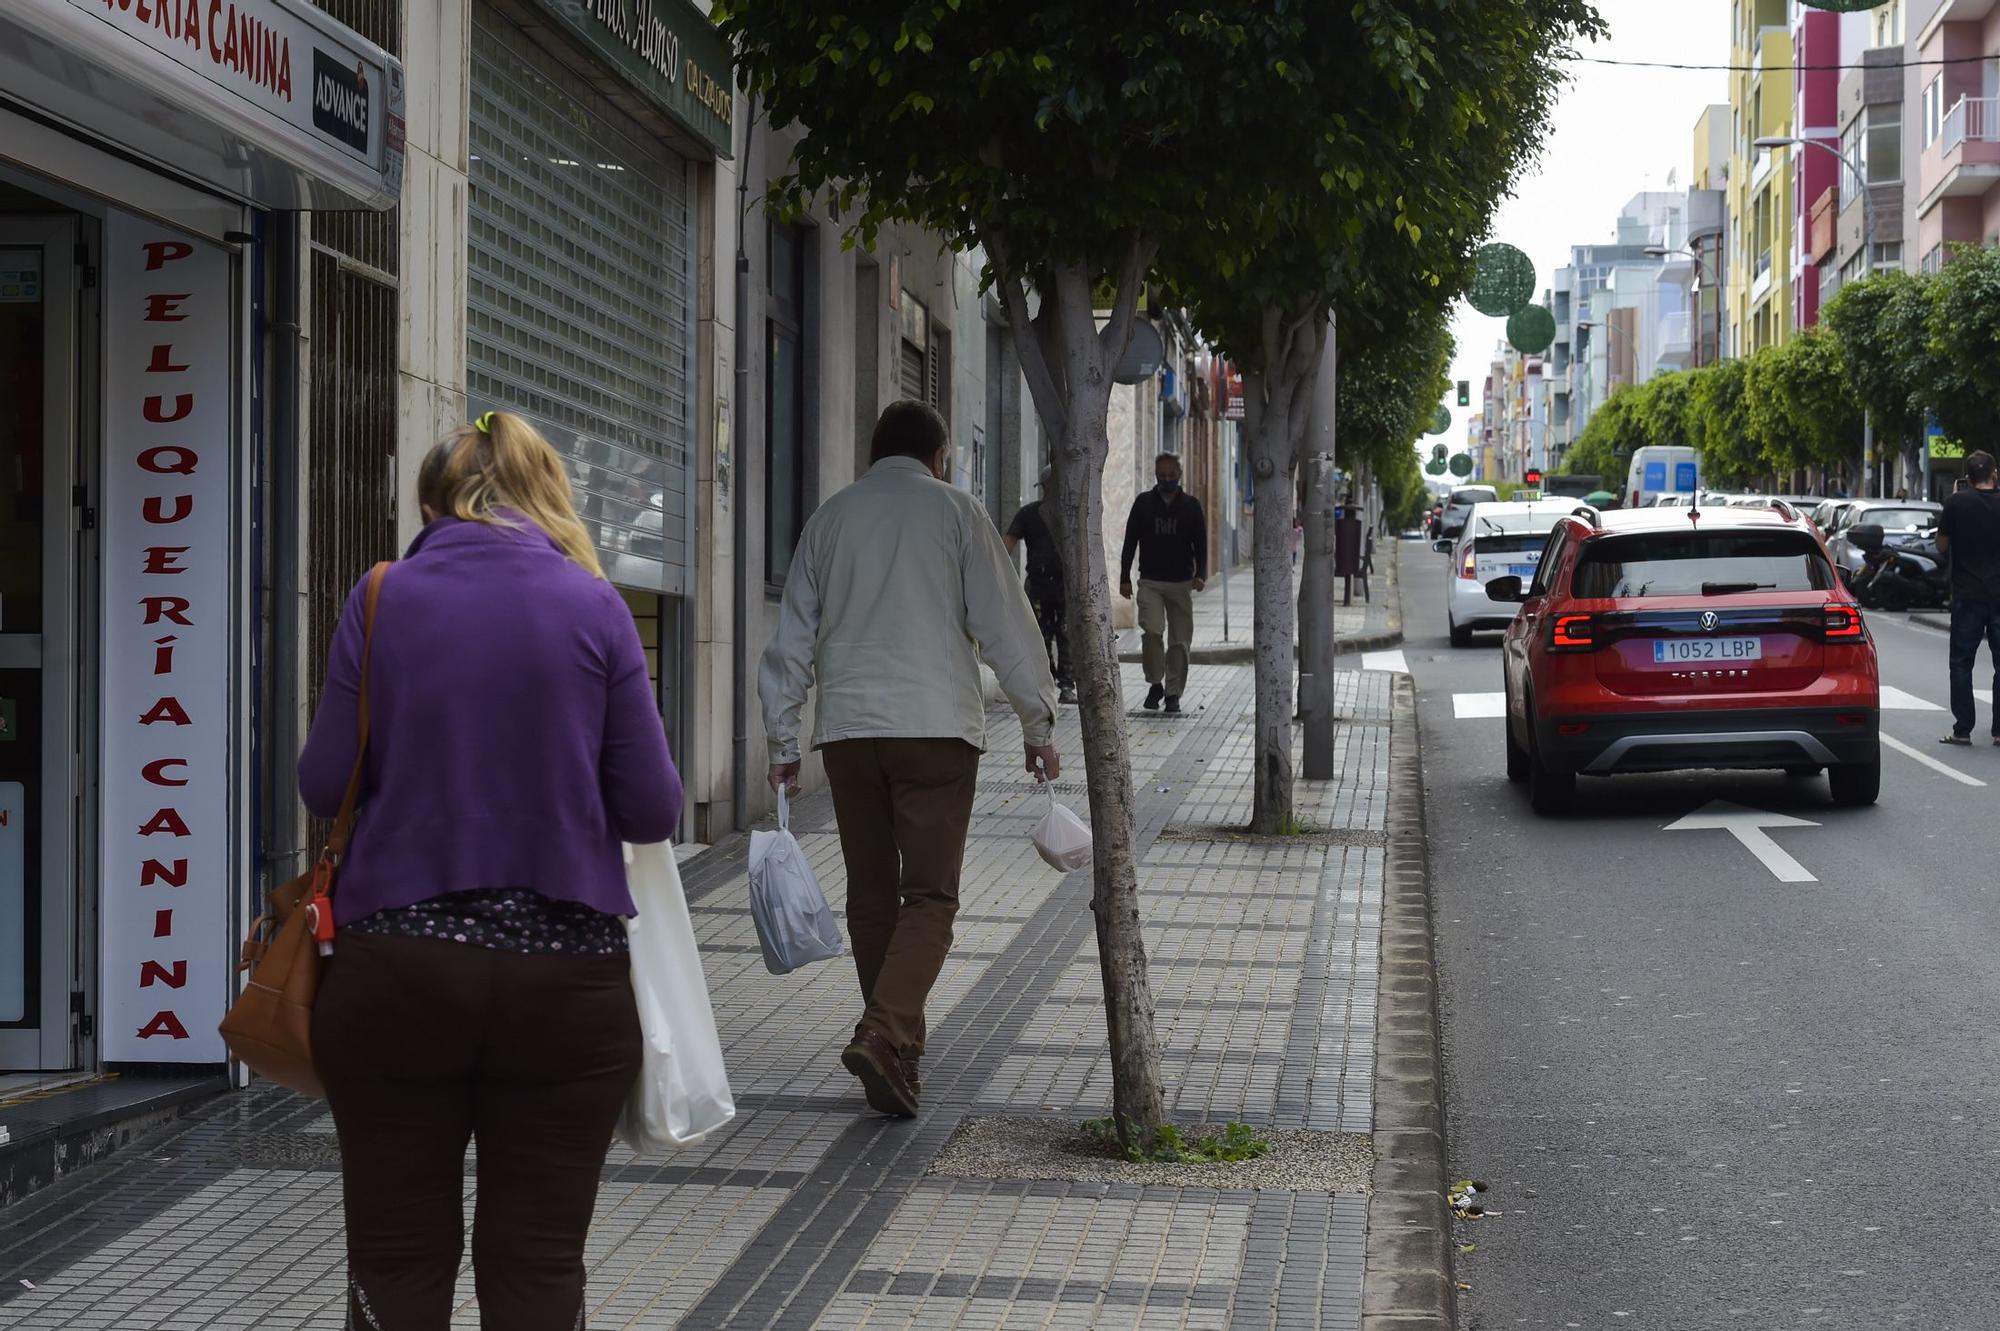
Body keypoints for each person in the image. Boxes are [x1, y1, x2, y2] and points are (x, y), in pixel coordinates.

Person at [299, 411, 682, 1330]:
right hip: (565, 986)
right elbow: (653, 808)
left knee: (395, 1261)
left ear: (433, 505)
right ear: (545, 495)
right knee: (540, 1264)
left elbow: (321, 783)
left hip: (396, 969)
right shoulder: (596, 604)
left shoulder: (383, 593)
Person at [760, 401, 1059, 1119]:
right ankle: (885, 1029)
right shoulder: (957, 514)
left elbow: (791, 637)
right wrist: (1037, 718)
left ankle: (895, 1046)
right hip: (935, 729)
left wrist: (781, 741)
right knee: (929, 896)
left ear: (873, 453)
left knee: (871, 894)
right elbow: (1005, 623)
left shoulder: (829, 520)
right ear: (940, 456)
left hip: (850, 732)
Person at [1119, 453, 1208, 714]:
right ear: (1155, 475)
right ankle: (1155, 682)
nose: (1167, 480)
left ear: (1179, 475)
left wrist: (1200, 573)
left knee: (1180, 642)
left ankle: (1173, 693)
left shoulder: (1191, 506)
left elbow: (1201, 543)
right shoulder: (1144, 503)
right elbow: (1129, 542)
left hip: (1181, 583)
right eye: (1162, 475)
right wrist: (1124, 577)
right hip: (1150, 582)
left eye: (1171, 475)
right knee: (1152, 632)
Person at [1937, 449, 2000, 746]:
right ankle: (1999, 730)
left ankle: (1963, 728)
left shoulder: (1956, 503)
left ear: (1968, 478)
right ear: (1994, 474)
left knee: (1961, 663)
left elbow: (1941, 546)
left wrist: (1954, 504)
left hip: (1967, 595)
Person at [1005, 466, 1077, 705]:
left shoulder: (1071, 514)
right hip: (1037, 585)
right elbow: (1008, 543)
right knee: (1039, 636)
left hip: (1065, 587)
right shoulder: (1029, 514)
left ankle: (1066, 684)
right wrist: (1001, 575)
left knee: (1066, 634)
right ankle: (1045, 682)